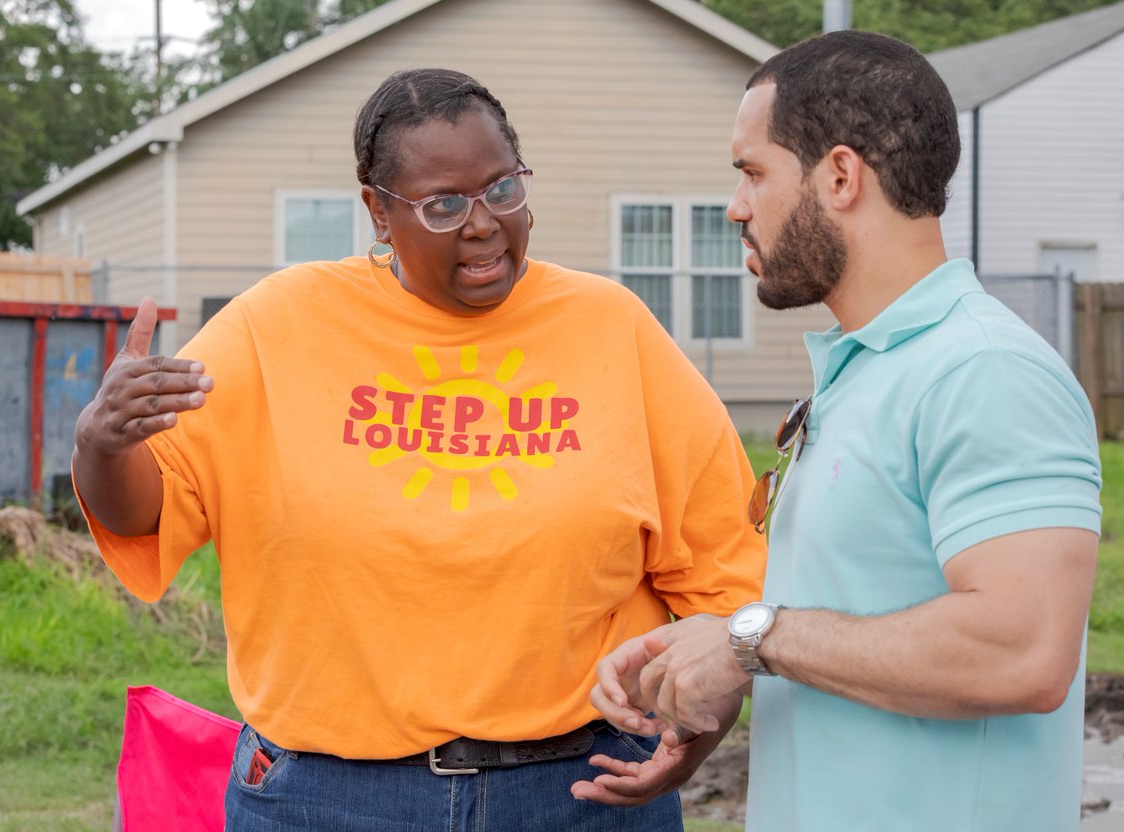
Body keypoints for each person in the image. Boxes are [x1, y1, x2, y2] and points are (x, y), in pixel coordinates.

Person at [71, 67, 766, 830]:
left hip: (580, 789)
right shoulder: (275, 327)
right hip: (327, 801)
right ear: (378, 211)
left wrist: (700, 726)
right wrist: (103, 446)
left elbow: (722, 564)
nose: (483, 224)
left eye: (502, 189)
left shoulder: (614, 329)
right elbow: (145, 513)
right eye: (444, 205)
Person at [589, 30, 1103, 832]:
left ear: (839, 175)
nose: (736, 207)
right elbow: (849, 624)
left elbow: (1023, 652)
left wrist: (750, 639)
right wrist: (716, 667)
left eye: (753, 172)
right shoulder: (863, 372)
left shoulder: (985, 370)